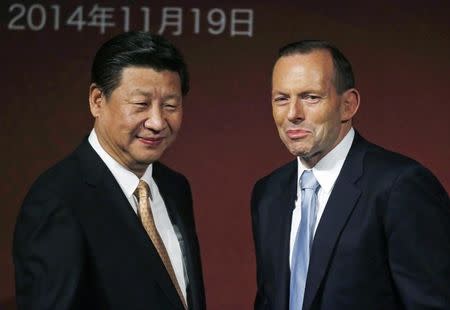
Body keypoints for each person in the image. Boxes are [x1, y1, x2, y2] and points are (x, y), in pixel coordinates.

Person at [251, 40, 450, 310]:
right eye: (282, 99)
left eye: (311, 97)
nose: (293, 114)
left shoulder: (400, 186)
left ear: (348, 105)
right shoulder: (268, 193)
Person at [13, 31, 206, 310]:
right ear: (97, 100)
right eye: (141, 104)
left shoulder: (175, 187)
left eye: (170, 106)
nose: (157, 121)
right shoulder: (58, 200)